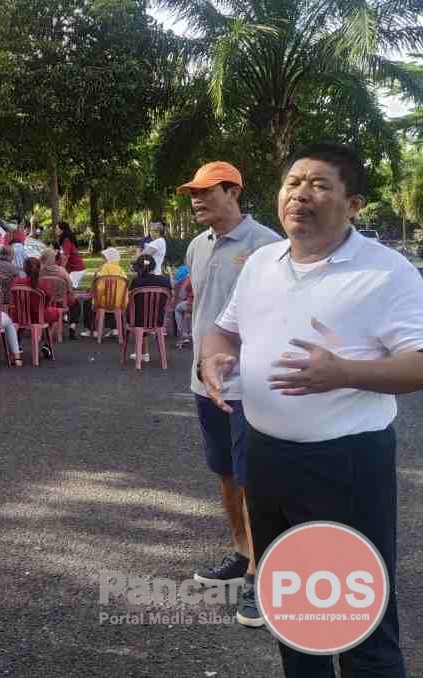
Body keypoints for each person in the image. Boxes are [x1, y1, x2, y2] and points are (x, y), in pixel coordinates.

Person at [201, 143, 423, 675]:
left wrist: (344, 373)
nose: (300, 194)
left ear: (354, 204)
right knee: (294, 610)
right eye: (293, 183)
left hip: (346, 463)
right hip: (267, 458)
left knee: (360, 618)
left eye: (319, 185)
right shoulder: (262, 262)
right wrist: (213, 358)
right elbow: (223, 329)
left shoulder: (386, 272)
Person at [177, 160, 281, 628]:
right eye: (193, 194)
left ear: (233, 192)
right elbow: (203, 308)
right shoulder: (197, 245)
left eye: (206, 192)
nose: (196, 200)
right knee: (224, 473)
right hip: (204, 382)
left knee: (254, 477)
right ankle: (241, 552)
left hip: (248, 385)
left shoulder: (267, 245)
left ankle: (262, 572)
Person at [13, 258, 61, 360]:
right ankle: (47, 344)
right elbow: (47, 301)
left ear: (24, 269)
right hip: (38, 317)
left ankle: (17, 343)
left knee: (23, 316)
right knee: (57, 313)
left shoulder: (17, 282)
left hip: (19, 316)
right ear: (39, 269)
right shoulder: (43, 284)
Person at [126, 254, 171, 362]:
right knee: (144, 312)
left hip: (138, 320)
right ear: (154, 266)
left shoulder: (136, 281)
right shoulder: (165, 281)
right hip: (159, 319)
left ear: (139, 268)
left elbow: (130, 299)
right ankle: (145, 353)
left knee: (137, 312)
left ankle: (141, 353)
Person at [80, 247, 129, 338]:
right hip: (120, 302)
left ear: (108, 258)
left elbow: (99, 287)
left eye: (104, 258)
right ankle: (115, 329)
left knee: (88, 302)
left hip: (104, 302)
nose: (103, 260)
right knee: (112, 304)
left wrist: (94, 295)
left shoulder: (105, 268)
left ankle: (92, 330)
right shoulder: (121, 271)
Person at [57, 221, 86, 288]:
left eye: (57, 229)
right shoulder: (65, 240)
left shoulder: (66, 240)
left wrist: (61, 270)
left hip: (76, 269)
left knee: (70, 288)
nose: (56, 231)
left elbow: (66, 257)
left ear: (62, 230)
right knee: (66, 287)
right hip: (73, 269)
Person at [172, 264, 192, 346]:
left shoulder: (190, 276)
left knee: (178, 309)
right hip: (207, 305)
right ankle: (188, 332)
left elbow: (183, 293)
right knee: (187, 313)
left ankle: (183, 334)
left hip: (194, 303)